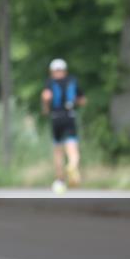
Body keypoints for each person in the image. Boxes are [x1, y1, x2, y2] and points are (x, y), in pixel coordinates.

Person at [41, 59, 86, 193]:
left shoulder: (50, 82)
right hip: (70, 116)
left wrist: (45, 109)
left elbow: (46, 97)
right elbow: (82, 100)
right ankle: (72, 165)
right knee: (72, 149)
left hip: (56, 118)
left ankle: (60, 180)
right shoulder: (72, 81)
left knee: (58, 151)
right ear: (65, 70)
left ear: (52, 71)